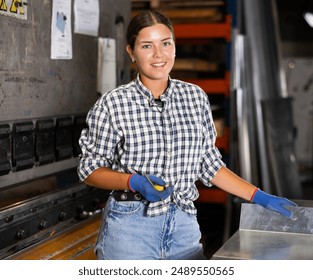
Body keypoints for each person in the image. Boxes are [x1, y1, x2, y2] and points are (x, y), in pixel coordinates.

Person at [77, 10, 298, 260]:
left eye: (166, 43)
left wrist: (258, 196)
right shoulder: (113, 104)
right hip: (130, 229)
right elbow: (89, 169)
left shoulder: (194, 97)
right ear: (131, 52)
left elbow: (209, 165)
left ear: (174, 47)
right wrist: (133, 181)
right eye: (147, 46)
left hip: (183, 227)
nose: (158, 54)